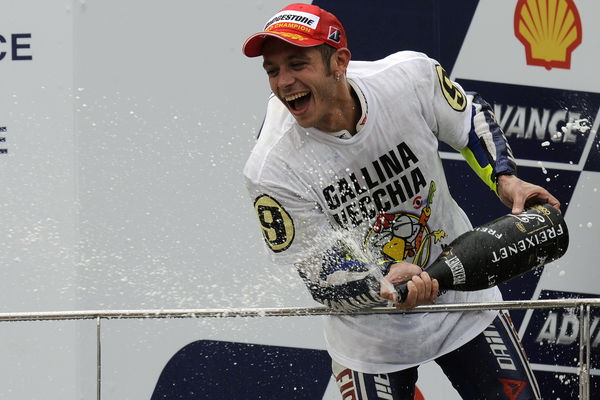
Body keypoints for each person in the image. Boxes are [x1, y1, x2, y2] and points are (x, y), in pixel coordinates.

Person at [242, 4, 559, 399]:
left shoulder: (406, 77)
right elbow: (320, 274)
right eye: (273, 71)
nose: (284, 81)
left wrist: (507, 180)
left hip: (464, 301)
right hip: (371, 338)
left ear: (339, 61)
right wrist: (381, 284)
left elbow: (468, 116)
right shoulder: (272, 166)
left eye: (297, 64)